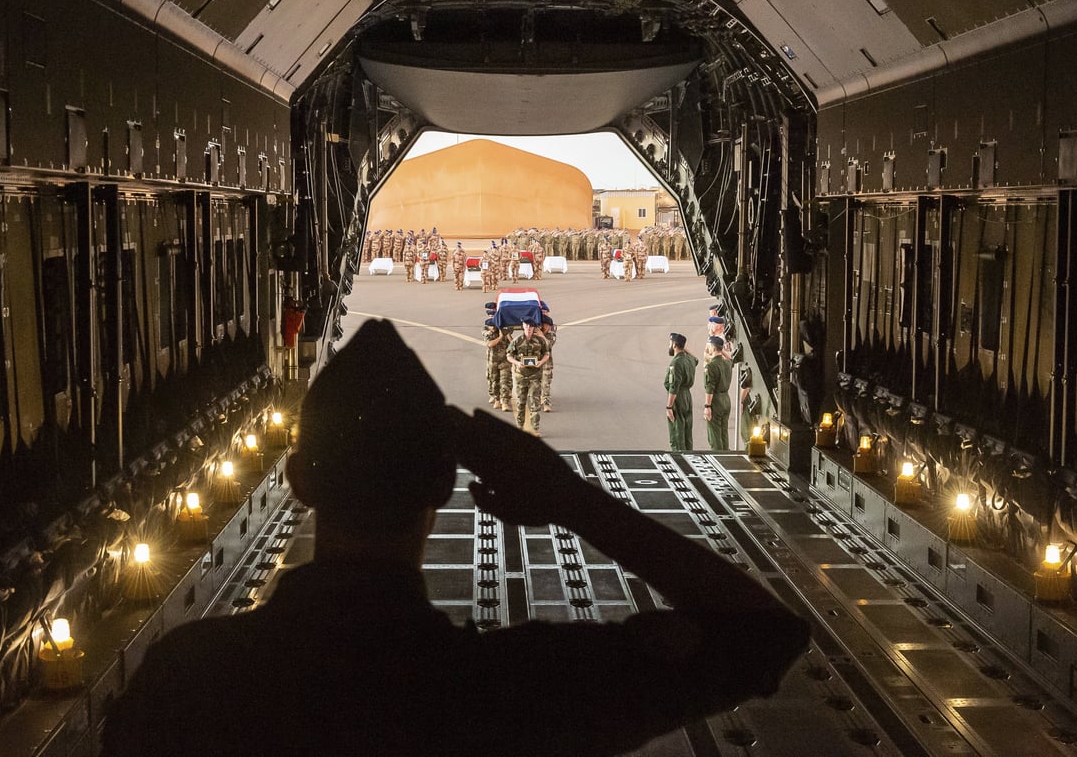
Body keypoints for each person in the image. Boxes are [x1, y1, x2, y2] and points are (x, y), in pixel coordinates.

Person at [100, 319, 808, 756]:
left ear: (296, 482)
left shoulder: (187, 680)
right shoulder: (510, 692)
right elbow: (759, 636)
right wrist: (570, 500)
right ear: (446, 484)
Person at [506, 319, 550, 436]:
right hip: (521, 376)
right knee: (521, 403)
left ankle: (535, 429)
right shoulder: (517, 341)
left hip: (535, 376)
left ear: (534, 328)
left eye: (531, 326)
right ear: (523, 326)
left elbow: (546, 353)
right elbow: (509, 356)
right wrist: (516, 362)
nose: (528, 328)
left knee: (535, 403)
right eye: (526, 326)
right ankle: (519, 427)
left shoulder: (540, 341)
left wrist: (541, 362)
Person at [664, 332, 698, 450]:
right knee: (687, 432)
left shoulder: (676, 363)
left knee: (677, 434)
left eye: (670, 343)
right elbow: (696, 360)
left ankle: (680, 459)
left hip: (678, 398)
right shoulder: (689, 360)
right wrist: (684, 349)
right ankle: (689, 457)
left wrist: (669, 407)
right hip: (687, 397)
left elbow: (674, 387)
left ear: (674, 345)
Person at [703, 336, 733, 450]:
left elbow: (709, 388)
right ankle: (726, 456)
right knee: (724, 431)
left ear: (713, 348)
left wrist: (707, 406)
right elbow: (731, 358)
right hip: (726, 399)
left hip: (716, 400)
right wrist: (722, 351)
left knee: (714, 434)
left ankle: (718, 456)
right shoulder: (727, 363)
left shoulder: (711, 366)